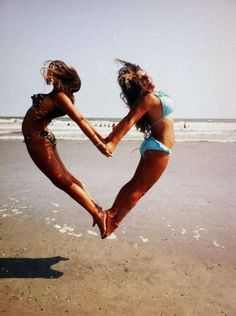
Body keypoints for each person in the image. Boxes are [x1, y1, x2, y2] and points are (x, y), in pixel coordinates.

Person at [22, 60, 111, 236]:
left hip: (38, 140)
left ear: (64, 80)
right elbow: (82, 118)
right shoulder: (60, 96)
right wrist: (102, 139)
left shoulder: (61, 97)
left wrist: (100, 143)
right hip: (42, 137)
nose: (51, 76)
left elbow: (81, 121)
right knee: (66, 178)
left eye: (55, 75)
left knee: (61, 180)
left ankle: (97, 214)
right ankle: (96, 208)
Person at [103, 59, 175, 238]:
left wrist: (112, 137)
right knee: (139, 190)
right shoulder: (149, 98)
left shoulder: (150, 97)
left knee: (133, 184)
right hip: (159, 149)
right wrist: (113, 142)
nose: (148, 78)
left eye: (146, 75)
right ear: (139, 87)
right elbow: (129, 120)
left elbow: (128, 118)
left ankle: (110, 213)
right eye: (143, 80)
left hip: (153, 146)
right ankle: (112, 224)